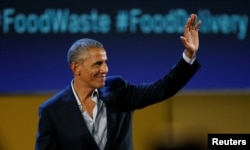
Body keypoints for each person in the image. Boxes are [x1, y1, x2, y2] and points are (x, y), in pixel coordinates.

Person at [35, 14, 202, 150]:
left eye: (105, 62)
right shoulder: (52, 111)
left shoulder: (118, 89)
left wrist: (188, 55)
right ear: (76, 68)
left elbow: (162, 89)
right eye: (98, 64)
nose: (105, 69)